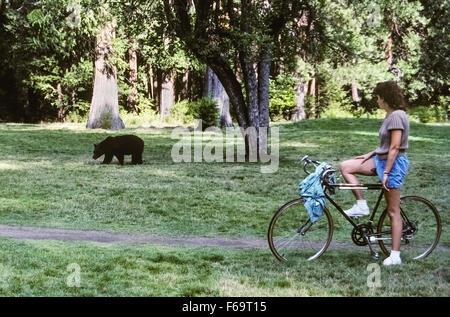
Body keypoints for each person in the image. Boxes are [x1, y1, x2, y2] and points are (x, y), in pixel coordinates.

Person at [340, 81, 410, 266]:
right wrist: (371, 153)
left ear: (385, 98)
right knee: (346, 166)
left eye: (378, 97)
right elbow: (387, 144)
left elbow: (395, 147)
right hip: (380, 159)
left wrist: (386, 172)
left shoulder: (396, 117)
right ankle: (362, 205)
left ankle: (395, 255)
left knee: (393, 211)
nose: (376, 101)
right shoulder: (389, 115)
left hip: (393, 164)